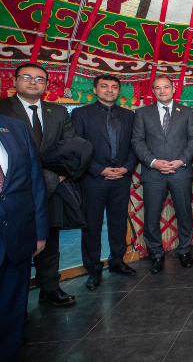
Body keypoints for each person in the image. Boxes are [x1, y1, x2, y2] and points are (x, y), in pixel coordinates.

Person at [0, 63, 78, 306]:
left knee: (48, 238)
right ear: (15, 81)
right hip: (11, 189)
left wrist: (60, 174)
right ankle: (13, 304)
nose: (33, 82)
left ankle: (49, 288)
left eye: (39, 79)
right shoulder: (2, 108)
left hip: (50, 185)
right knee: (11, 243)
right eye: (27, 77)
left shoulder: (58, 111)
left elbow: (71, 145)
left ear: (46, 84)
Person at [71, 75, 138, 290]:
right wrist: (100, 170)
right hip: (94, 179)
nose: (109, 90)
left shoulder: (129, 115)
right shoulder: (81, 114)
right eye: (104, 86)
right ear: (95, 89)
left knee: (118, 222)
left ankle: (117, 261)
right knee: (92, 224)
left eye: (114, 87)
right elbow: (76, 147)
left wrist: (126, 168)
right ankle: (94, 268)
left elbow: (134, 146)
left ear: (119, 90)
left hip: (121, 177)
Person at [131, 76, 193, 273]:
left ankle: (185, 250)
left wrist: (181, 161)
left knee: (185, 214)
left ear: (173, 88)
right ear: (153, 91)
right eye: (158, 88)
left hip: (181, 171)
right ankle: (156, 254)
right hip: (153, 173)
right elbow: (137, 141)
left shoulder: (186, 112)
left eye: (166, 87)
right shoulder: (142, 113)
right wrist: (153, 162)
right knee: (151, 216)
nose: (162, 91)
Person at [0, 114, 48, 359]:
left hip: (17, 234)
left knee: (11, 305)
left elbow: (35, 180)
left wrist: (39, 231)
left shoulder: (14, 127)